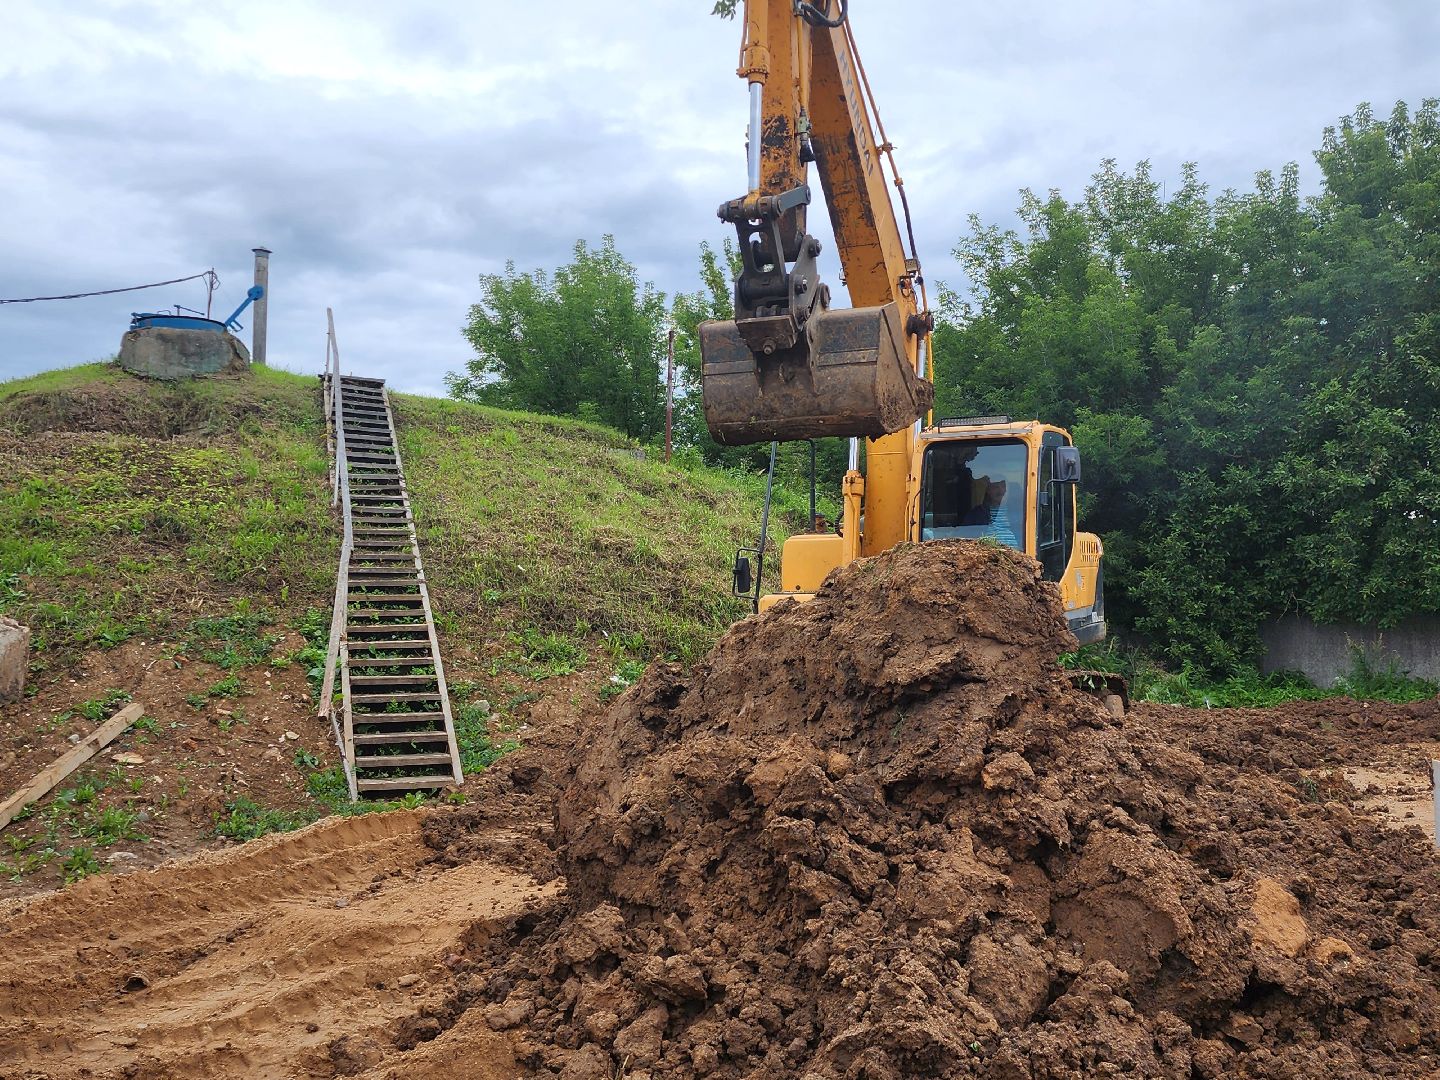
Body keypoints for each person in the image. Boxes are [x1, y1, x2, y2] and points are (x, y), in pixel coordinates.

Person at [962, 479, 1020, 548]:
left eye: (1003, 486)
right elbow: (965, 539)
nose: (1001, 491)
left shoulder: (1018, 511)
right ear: (988, 491)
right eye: (996, 487)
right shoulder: (976, 515)